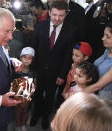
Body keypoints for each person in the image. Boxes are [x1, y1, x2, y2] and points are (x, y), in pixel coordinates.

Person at [30, 1, 76, 129]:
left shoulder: (71, 30)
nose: (56, 18)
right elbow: (33, 46)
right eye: (54, 14)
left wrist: (62, 74)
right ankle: (36, 114)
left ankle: (46, 117)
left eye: (60, 15)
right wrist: (31, 69)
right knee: (37, 94)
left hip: (56, 71)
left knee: (50, 97)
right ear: (49, 12)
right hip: (39, 69)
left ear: (66, 14)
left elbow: (68, 55)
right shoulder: (40, 25)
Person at [83, 22, 112, 100]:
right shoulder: (107, 50)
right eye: (104, 35)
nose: (103, 38)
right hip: (91, 90)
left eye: (108, 37)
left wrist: (78, 93)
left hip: (102, 97)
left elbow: (98, 85)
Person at [14, 47, 36, 131]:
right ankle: (17, 125)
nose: (26, 60)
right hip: (18, 96)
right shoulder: (17, 71)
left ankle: (23, 124)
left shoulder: (32, 72)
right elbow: (14, 85)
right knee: (18, 110)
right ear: (20, 58)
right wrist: (19, 98)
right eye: (24, 57)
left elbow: (34, 84)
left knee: (25, 110)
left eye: (29, 58)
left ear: (32, 60)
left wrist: (28, 97)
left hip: (28, 96)